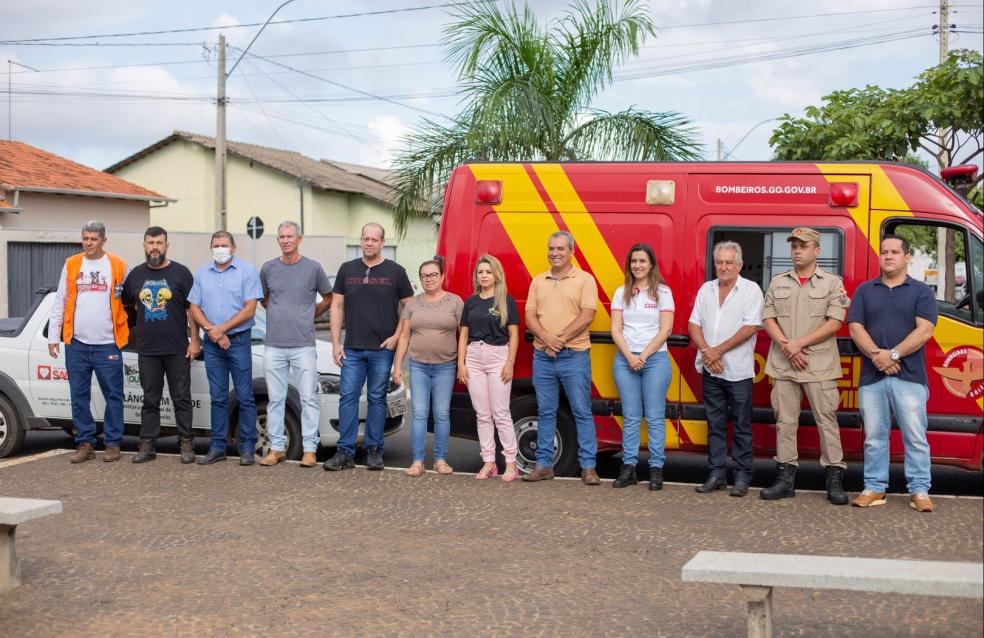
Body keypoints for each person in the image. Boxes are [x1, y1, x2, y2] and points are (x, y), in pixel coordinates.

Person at [848, 235, 938, 512]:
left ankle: (919, 491)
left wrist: (893, 354)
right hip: (873, 378)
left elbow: (925, 330)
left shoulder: (921, 291)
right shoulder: (865, 290)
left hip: (909, 377)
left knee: (915, 435)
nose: (888, 256)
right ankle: (875, 488)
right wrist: (878, 356)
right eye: (884, 252)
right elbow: (855, 328)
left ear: (907, 257)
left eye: (894, 252)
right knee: (874, 437)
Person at [761, 227, 850, 504]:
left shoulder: (832, 283)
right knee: (785, 423)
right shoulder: (778, 282)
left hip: (819, 365)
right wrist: (789, 347)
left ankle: (834, 480)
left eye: (803, 246)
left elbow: (835, 322)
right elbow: (768, 317)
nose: (797, 250)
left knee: (827, 422)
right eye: (794, 246)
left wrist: (799, 345)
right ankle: (785, 480)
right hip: (784, 364)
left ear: (816, 251)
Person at [324, 222, 413, 472]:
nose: (369, 243)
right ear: (361, 241)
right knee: (348, 398)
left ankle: (374, 450)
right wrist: (335, 343)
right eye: (365, 239)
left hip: (382, 350)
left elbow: (410, 306)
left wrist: (396, 336)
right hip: (352, 348)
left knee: (376, 399)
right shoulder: (347, 269)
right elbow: (337, 307)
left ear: (382, 242)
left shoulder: (396, 271)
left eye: (374, 239)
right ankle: (345, 452)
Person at [522, 230, 600, 485]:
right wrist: (547, 339)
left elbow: (588, 314)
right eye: (551, 248)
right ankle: (544, 465)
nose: (554, 253)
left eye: (560, 249)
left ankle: (588, 467)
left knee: (581, 411)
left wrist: (560, 339)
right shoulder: (538, 280)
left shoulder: (585, 280)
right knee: (546, 411)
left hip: (574, 355)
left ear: (571, 252)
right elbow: (530, 316)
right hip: (543, 356)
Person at [48, 220, 129, 463]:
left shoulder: (119, 265)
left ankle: (113, 444)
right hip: (77, 344)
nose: (88, 243)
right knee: (78, 395)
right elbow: (60, 301)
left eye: (93, 239)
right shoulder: (72, 264)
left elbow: (131, 300)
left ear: (104, 240)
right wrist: (54, 336)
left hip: (108, 344)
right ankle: (85, 443)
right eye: (85, 238)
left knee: (114, 395)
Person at [688, 241, 763, 497]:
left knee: (742, 426)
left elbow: (751, 327)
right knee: (715, 425)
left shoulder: (751, 290)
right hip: (711, 370)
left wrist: (716, 351)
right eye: (719, 262)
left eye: (729, 262)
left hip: (739, 372)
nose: (723, 267)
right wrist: (709, 353)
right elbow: (693, 325)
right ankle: (717, 474)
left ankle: (742, 477)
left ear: (739, 265)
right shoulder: (706, 289)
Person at [122, 226, 200, 465]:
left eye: (159, 242)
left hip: (177, 349)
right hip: (147, 351)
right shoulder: (135, 275)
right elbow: (127, 308)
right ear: (144, 245)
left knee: (181, 398)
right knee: (150, 399)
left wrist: (195, 340)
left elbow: (193, 310)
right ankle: (147, 444)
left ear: (167, 245)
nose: (154, 247)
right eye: (150, 242)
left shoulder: (181, 273)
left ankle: (186, 443)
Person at [258, 221, 332, 468]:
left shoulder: (313, 268)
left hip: (303, 345)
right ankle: (277, 448)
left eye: (290, 236)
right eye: (281, 236)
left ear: (299, 239)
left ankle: (310, 450)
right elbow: (265, 299)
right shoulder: (268, 268)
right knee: (276, 399)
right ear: (277, 240)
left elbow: (329, 298)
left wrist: (310, 313)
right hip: (274, 345)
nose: (286, 240)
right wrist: (280, 312)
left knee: (309, 397)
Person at [188, 231, 264, 466]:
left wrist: (222, 329)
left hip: (239, 341)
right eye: (216, 245)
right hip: (212, 344)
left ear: (234, 247)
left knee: (245, 396)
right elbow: (194, 307)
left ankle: (248, 448)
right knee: (218, 397)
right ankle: (218, 446)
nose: (220, 249)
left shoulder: (247, 271)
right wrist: (213, 330)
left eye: (224, 245)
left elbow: (249, 309)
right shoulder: (202, 273)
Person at [610, 243, 674, 491]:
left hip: (654, 359)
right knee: (632, 417)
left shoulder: (663, 292)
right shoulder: (621, 292)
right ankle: (629, 468)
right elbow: (616, 329)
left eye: (642, 261)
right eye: (634, 261)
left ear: (651, 265)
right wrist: (629, 356)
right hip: (625, 360)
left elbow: (665, 329)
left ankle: (656, 469)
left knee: (656, 416)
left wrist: (643, 356)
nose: (638, 265)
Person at [392, 260, 464, 476]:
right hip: (418, 366)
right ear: (420, 279)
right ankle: (417, 460)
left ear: (442, 277)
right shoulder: (412, 304)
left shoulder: (455, 302)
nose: (429, 279)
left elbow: (463, 336)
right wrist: (397, 366)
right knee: (419, 413)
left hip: (445, 366)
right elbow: (404, 336)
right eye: (424, 275)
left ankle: (440, 459)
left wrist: (462, 364)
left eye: (433, 275)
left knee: (441, 413)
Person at [457, 255, 520, 481]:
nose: (483, 275)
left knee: (501, 413)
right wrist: (461, 364)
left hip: (498, 357)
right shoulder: (471, 302)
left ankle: (511, 464)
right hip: (474, 358)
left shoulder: (505, 301)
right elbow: (463, 334)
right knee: (482, 414)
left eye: (488, 272)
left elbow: (514, 334)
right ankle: (489, 462)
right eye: (480, 272)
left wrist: (509, 363)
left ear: (496, 275)